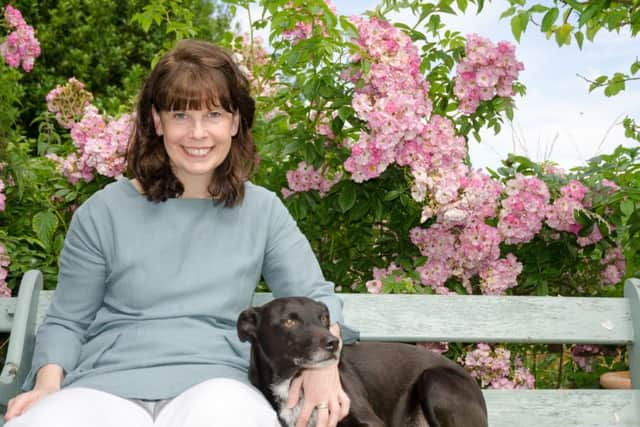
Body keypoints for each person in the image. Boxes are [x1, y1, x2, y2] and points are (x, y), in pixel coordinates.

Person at [5, 39, 351, 427]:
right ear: (157, 121)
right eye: (181, 115)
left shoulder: (262, 211)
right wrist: (48, 389)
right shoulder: (103, 212)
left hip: (217, 386)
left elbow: (316, 297)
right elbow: (69, 320)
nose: (198, 133)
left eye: (215, 114)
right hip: (103, 388)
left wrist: (323, 367)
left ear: (235, 122)